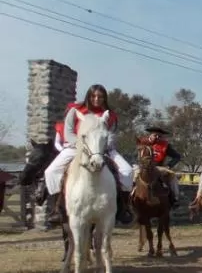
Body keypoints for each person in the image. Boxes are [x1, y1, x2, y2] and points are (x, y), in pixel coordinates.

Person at [42, 84, 134, 225]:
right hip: (76, 147)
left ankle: (123, 207)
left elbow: (111, 135)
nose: (97, 99)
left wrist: (100, 148)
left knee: (127, 171)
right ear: (88, 96)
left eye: (100, 96)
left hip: (102, 149)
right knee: (51, 171)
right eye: (94, 96)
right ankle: (57, 209)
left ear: (104, 98)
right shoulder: (75, 110)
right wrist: (82, 146)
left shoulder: (110, 114)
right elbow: (69, 132)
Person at [141, 125, 182, 208]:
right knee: (131, 175)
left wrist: (168, 166)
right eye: (155, 135)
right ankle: (129, 198)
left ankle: (174, 198)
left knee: (172, 176)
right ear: (150, 135)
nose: (157, 137)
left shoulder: (165, 145)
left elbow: (177, 156)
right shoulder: (142, 142)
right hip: (143, 167)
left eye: (159, 136)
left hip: (158, 167)